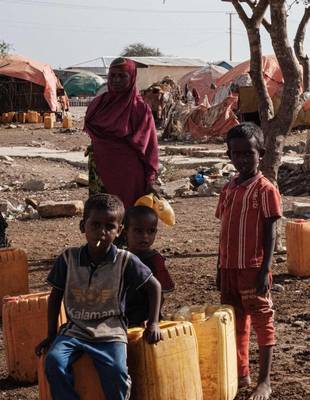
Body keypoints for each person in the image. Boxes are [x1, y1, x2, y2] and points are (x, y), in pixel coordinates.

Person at [37, 193, 162, 400]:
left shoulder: (125, 260)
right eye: (95, 225)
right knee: (54, 362)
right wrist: (51, 334)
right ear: (82, 226)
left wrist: (154, 323)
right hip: (75, 329)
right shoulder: (68, 259)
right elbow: (55, 295)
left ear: (119, 231)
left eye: (109, 227)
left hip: (111, 331)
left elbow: (154, 287)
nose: (102, 232)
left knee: (116, 371)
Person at [217, 123, 282, 400]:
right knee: (235, 322)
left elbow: (271, 231)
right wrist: (219, 268)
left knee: (261, 320)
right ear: (229, 155)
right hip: (229, 267)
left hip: (252, 266)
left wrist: (265, 269)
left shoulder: (265, 189)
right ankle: (240, 374)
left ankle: (264, 380)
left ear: (261, 154)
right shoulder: (229, 188)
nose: (242, 159)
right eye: (236, 154)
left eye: (248, 154)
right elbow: (224, 230)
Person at [85, 57, 160, 210]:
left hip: (128, 174)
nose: (116, 80)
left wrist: (151, 180)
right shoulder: (98, 105)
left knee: (126, 217)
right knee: (101, 217)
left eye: (122, 76)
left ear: (132, 77)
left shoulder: (140, 109)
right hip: (99, 169)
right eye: (112, 75)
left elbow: (150, 147)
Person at [124, 205, 174, 328]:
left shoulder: (155, 260)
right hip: (123, 317)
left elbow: (159, 294)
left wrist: (153, 320)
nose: (145, 237)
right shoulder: (121, 257)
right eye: (138, 231)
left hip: (146, 320)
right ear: (125, 232)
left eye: (151, 231)